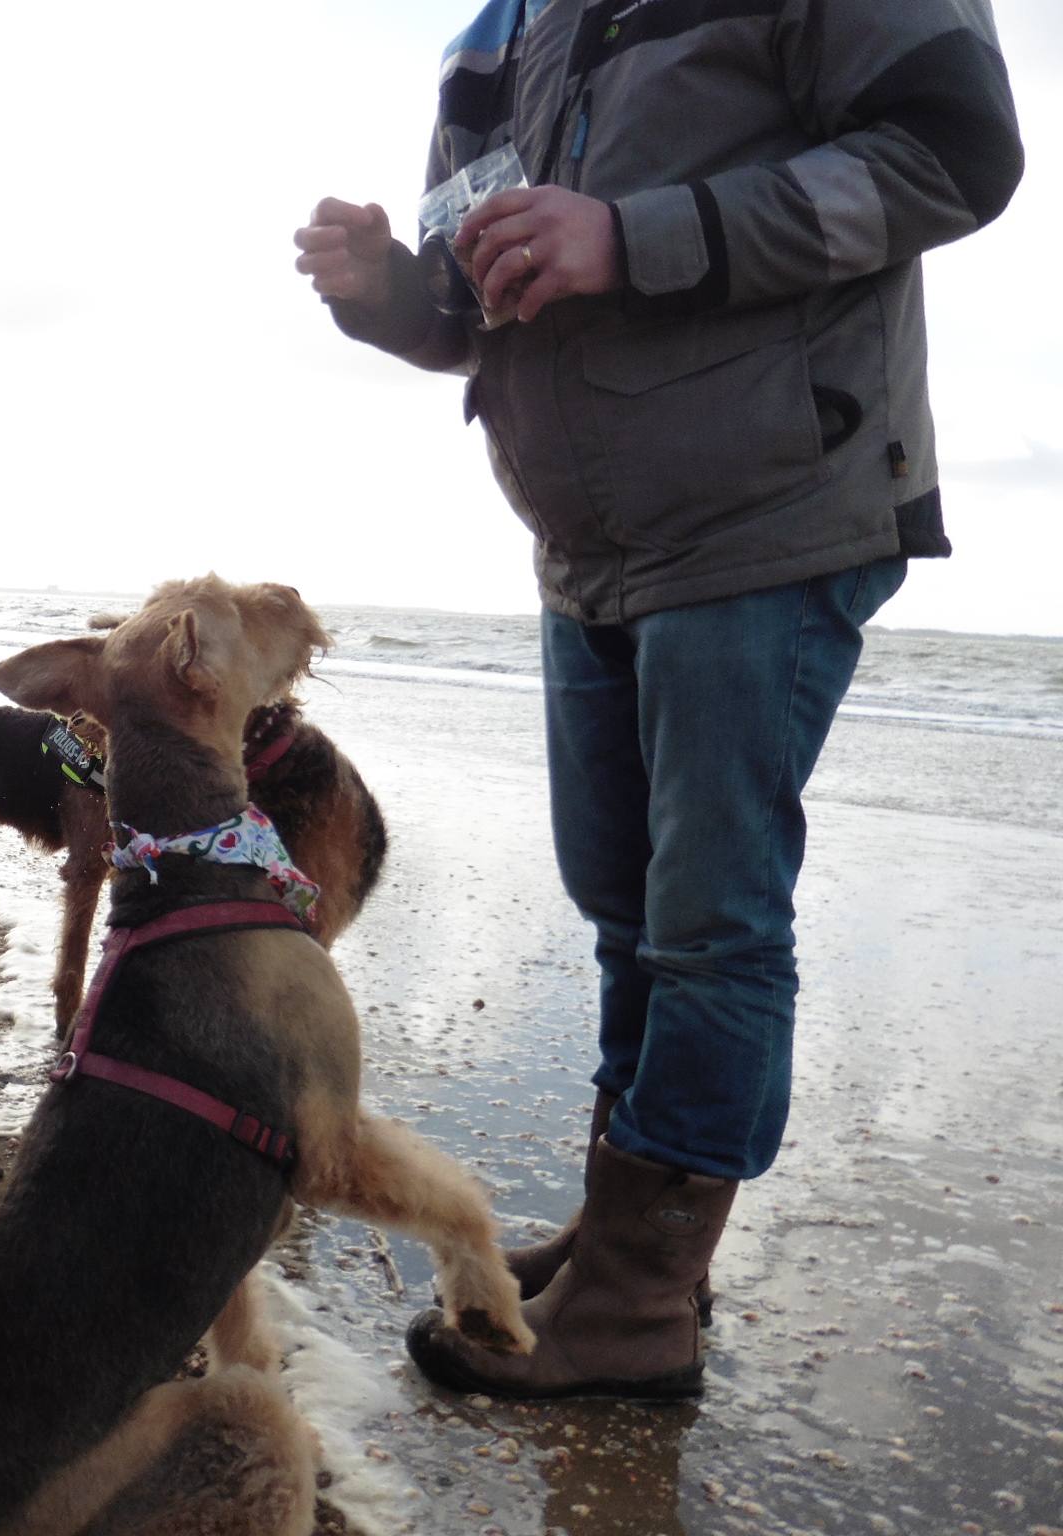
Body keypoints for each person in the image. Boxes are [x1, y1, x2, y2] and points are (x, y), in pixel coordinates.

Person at [295, 0, 1021, 1400]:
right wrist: (388, 290)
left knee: (709, 926)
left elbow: (956, 152)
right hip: (587, 545)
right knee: (625, 909)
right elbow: (474, 303)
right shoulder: (500, 33)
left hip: (770, 508)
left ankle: (638, 1308)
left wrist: (634, 237)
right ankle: (625, 1238)